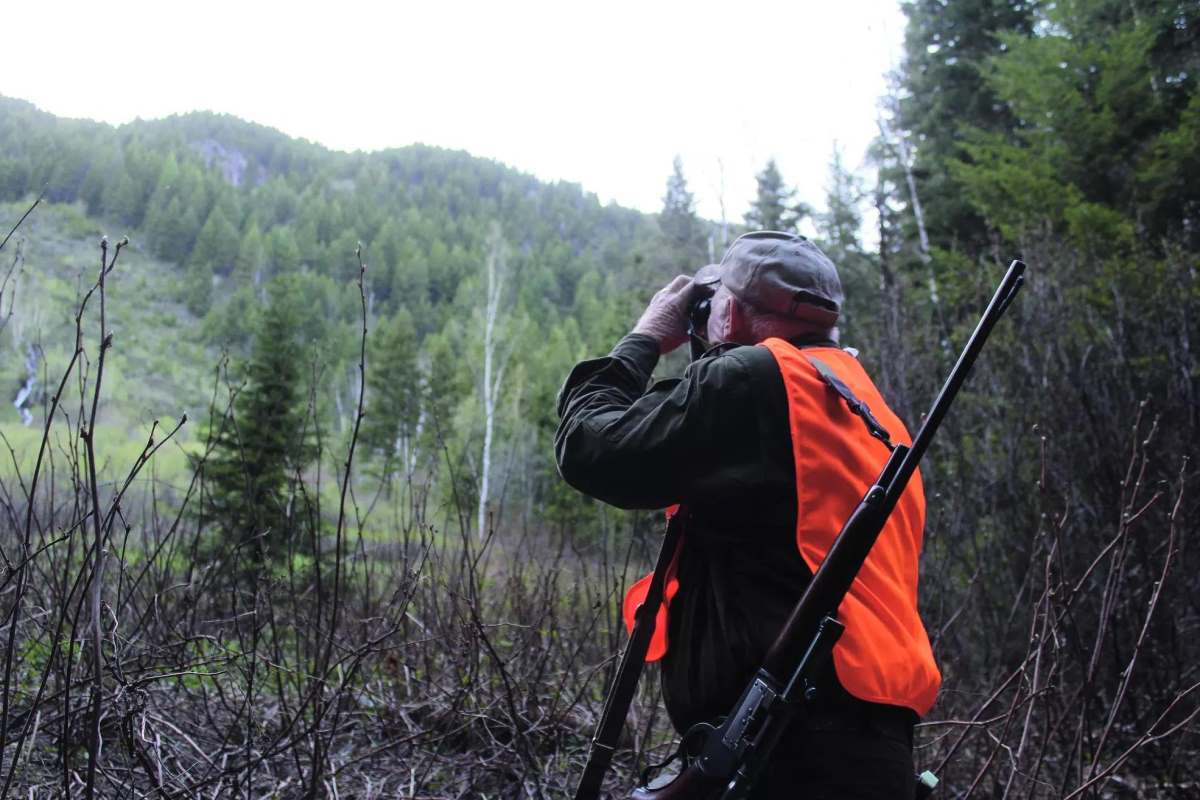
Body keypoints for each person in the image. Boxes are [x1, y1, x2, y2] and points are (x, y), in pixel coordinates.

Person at [555, 231, 941, 799]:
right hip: (874, 751)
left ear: (728, 311)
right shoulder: (874, 415)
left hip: (791, 754)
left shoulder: (756, 381)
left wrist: (642, 339)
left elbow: (592, 449)